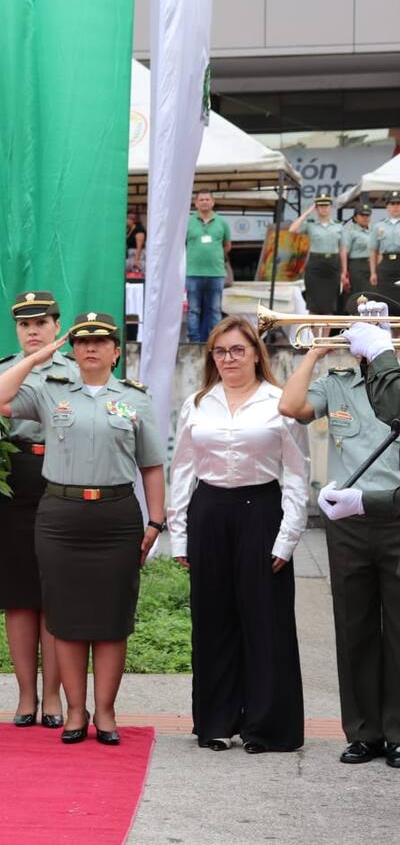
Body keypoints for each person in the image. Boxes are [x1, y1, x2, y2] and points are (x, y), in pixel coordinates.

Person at [0, 312, 166, 746]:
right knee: (64, 617)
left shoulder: (135, 399)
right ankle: (73, 711)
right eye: (82, 341)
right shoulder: (51, 393)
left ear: (116, 351)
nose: (90, 348)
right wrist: (39, 356)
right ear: (72, 348)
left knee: (111, 618)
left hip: (115, 514)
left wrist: (156, 519)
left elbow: (152, 465)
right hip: (61, 516)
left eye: (101, 342)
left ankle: (104, 712)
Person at [169, 317, 308, 754]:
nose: (228, 359)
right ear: (212, 358)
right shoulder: (198, 402)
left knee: (265, 621)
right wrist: (179, 536)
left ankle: (266, 727)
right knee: (213, 620)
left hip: (261, 512)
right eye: (220, 352)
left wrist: (286, 537)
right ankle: (216, 721)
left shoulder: (280, 402)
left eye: (237, 350)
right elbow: (181, 471)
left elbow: (299, 475)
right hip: (209, 512)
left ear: (255, 354)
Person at [280, 339, 400, 766]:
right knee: (355, 627)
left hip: (395, 510)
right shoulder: (338, 383)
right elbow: (290, 407)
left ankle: (398, 732)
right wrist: (314, 353)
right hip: (348, 518)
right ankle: (364, 732)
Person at [0, 292, 70, 729]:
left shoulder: (76, 371)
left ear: (57, 325)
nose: (33, 331)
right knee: (17, 595)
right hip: (10, 478)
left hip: (58, 478)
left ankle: (53, 695)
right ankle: (25, 696)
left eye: (41, 323)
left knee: (53, 592)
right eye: (24, 325)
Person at [185, 191, 232, 343]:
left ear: (213, 202)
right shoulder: (188, 221)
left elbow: (227, 245)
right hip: (193, 272)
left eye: (207, 199)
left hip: (216, 273)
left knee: (215, 309)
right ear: (196, 203)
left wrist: (214, 256)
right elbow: (181, 244)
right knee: (193, 310)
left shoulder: (222, 222)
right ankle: (194, 341)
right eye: (201, 199)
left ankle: (215, 340)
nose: (204, 202)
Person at [291, 194, 344, 315]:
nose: (324, 208)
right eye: (320, 205)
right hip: (315, 265)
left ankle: (324, 335)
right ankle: (314, 335)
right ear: (316, 207)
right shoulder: (310, 224)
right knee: (314, 305)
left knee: (330, 305)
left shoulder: (338, 225)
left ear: (331, 207)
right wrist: (307, 212)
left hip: (333, 265)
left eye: (326, 205)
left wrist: (344, 271)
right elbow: (292, 229)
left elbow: (342, 249)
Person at [342, 204, 375, 303]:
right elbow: (344, 252)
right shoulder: (350, 231)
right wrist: (344, 273)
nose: (365, 218)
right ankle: (357, 317)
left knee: (372, 296)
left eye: (367, 215)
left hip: (372, 267)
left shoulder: (373, 230)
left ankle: (370, 318)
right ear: (355, 217)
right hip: (357, 266)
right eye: (362, 215)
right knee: (360, 296)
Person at [373, 192, 400, 293]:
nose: (395, 206)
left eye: (398, 203)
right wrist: (373, 272)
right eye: (392, 204)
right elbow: (373, 251)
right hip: (385, 264)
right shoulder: (378, 226)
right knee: (385, 295)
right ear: (387, 206)